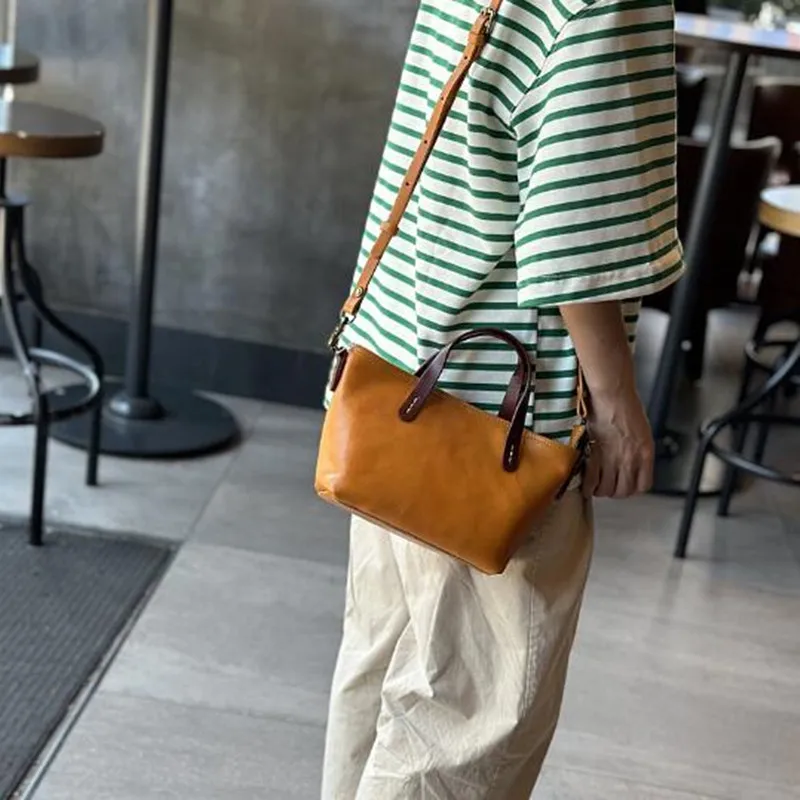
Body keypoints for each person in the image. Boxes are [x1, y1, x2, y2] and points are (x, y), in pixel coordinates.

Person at [321, 0, 684, 796]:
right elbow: (573, 226)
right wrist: (616, 402)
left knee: (383, 672)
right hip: (502, 428)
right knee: (467, 723)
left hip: (401, 379)